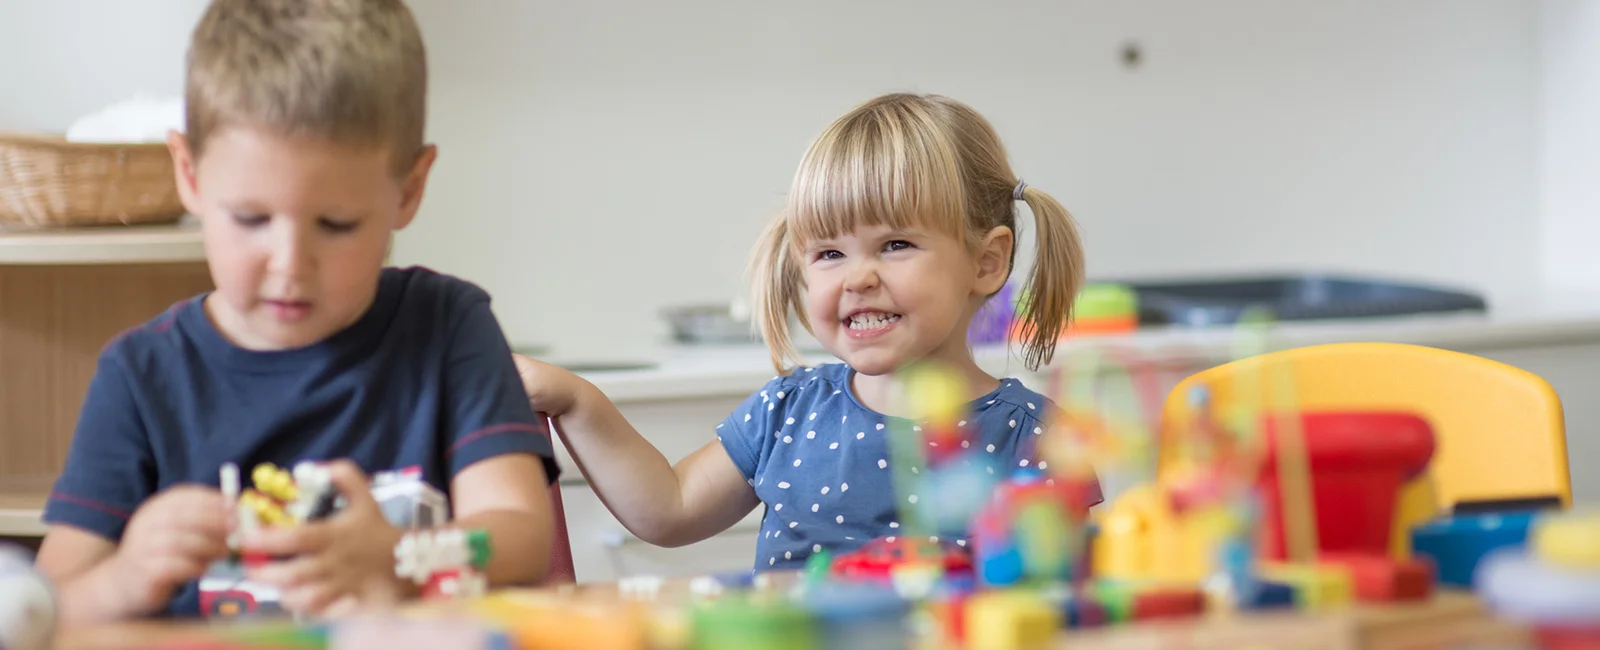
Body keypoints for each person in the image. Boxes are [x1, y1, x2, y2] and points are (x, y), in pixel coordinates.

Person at [34, 0, 559, 623]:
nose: (290, 264)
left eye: (336, 224)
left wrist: (401, 556)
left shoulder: (448, 327)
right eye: (252, 219)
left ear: (409, 190)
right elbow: (47, 606)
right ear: (190, 175)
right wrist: (125, 578)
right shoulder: (141, 373)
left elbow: (523, 535)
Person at [515, 93, 1097, 571]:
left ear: (987, 262)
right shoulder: (789, 411)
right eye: (828, 253)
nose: (857, 277)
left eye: (895, 245)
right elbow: (667, 509)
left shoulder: (1035, 437)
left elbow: (1066, 605)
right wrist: (575, 398)